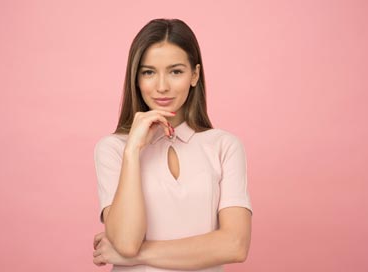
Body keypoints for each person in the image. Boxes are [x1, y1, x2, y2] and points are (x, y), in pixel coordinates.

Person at [92, 18, 253, 272]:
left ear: (195, 75)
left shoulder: (224, 146)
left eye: (175, 71)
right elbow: (125, 242)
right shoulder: (113, 149)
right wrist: (132, 151)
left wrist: (135, 256)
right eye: (148, 72)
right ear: (136, 78)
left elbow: (235, 245)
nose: (162, 86)